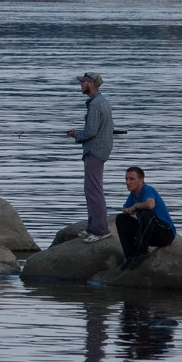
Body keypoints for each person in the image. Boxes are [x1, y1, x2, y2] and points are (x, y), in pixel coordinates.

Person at [67, 72, 113, 242]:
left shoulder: (95, 104)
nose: (81, 84)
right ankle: (93, 227)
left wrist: (75, 134)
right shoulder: (102, 102)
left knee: (94, 192)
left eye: (83, 82)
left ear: (91, 84)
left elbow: (90, 131)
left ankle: (100, 230)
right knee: (91, 190)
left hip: (95, 151)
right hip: (99, 150)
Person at [116, 166, 176, 270]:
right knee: (120, 219)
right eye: (126, 179)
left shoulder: (147, 189)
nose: (128, 182)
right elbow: (124, 209)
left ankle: (142, 253)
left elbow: (150, 205)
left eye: (131, 179)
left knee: (146, 213)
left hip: (165, 234)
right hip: (149, 235)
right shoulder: (133, 194)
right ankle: (130, 255)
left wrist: (135, 206)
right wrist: (128, 210)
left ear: (141, 180)